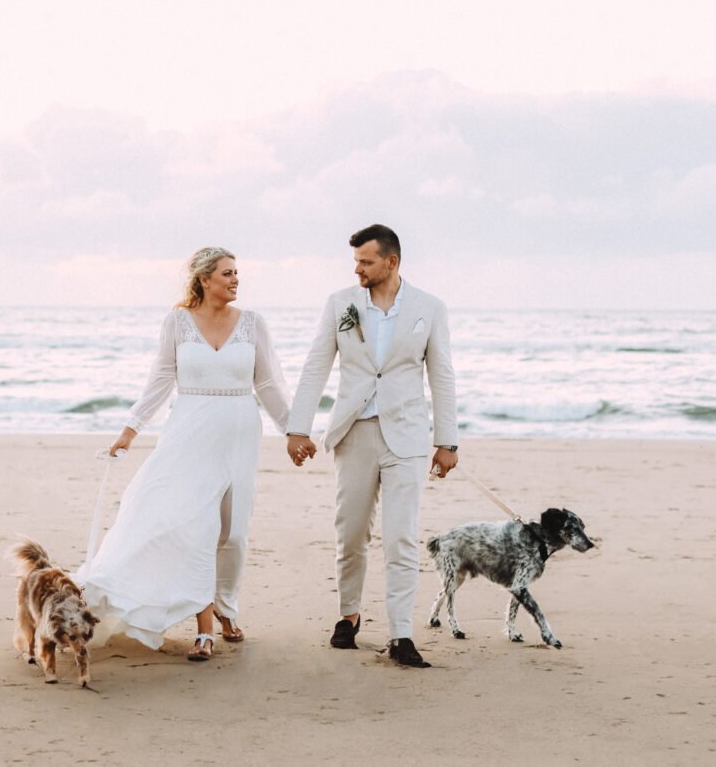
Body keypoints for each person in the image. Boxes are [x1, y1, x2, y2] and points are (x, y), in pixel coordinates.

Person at [74, 247, 291, 661]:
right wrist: (130, 430)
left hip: (239, 434)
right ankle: (205, 628)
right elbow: (160, 378)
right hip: (189, 433)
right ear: (204, 279)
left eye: (237, 273)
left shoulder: (252, 324)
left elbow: (268, 384)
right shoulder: (177, 321)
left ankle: (226, 607)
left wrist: (293, 431)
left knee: (234, 533)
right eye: (227, 273)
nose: (235, 280)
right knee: (195, 528)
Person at [285, 224, 458, 668]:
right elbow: (315, 367)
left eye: (365, 261)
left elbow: (441, 376)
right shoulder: (339, 304)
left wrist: (447, 440)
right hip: (355, 432)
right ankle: (349, 616)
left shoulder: (429, 308)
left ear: (391, 262)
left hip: (407, 436)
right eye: (355, 262)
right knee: (352, 532)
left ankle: (401, 635)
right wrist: (297, 429)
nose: (357, 269)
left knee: (401, 537)